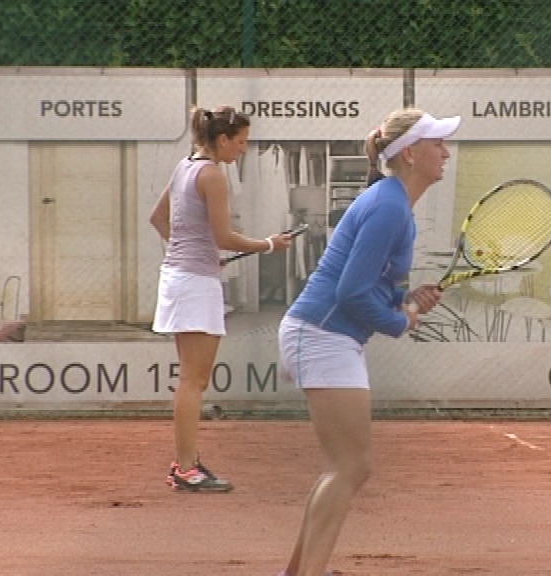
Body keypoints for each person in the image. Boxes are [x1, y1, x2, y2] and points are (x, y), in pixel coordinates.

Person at [276, 108, 458, 575]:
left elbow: (368, 281)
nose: (446, 152)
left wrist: (404, 297)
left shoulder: (394, 204)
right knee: (350, 467)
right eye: (438, 143)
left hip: (327, 335)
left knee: (346, 467)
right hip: (321, 334)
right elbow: (350, 292)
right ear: (411, 154)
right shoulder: (389, 207)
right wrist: (400, 321)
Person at [150, 105, 292, 492]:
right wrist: (268, 244)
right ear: (223, 140)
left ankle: (186, 463)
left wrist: (189, 249)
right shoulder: (211, 175)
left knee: (192, 379)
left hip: (183, 278)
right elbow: (225, 238)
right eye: (241, 142)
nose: (243, 150)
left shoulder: (185, 167)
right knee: (193, 381)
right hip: (193, 283)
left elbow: (158, 219)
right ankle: (185, 469)